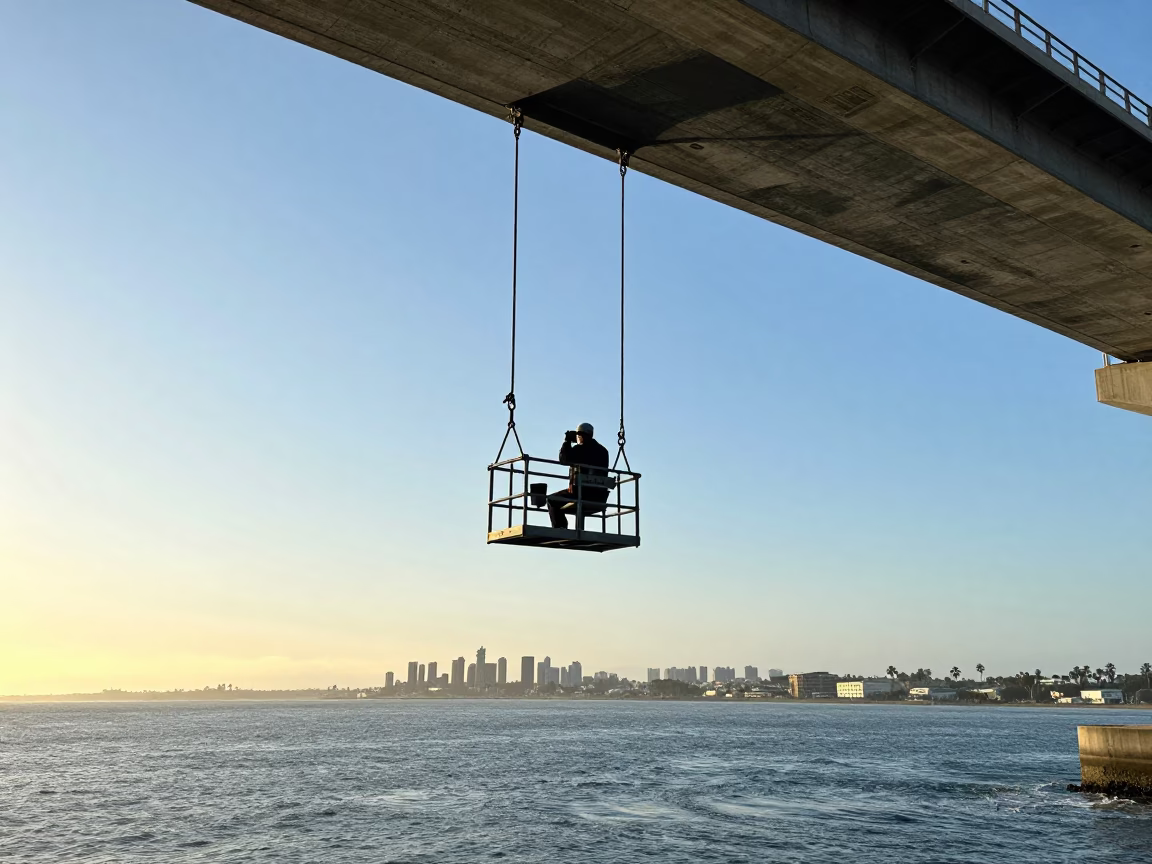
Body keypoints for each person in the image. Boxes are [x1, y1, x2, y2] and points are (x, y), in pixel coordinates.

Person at [548, 422, 610, 530]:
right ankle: (562, 527)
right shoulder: (603, 451)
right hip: (600, 497)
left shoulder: (580, 449)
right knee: (561, 502)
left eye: (578, 436)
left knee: (551, 500)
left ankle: (560, 528)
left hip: (582, 494)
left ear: (582, 435)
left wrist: (567, 441)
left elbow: (564, 459)